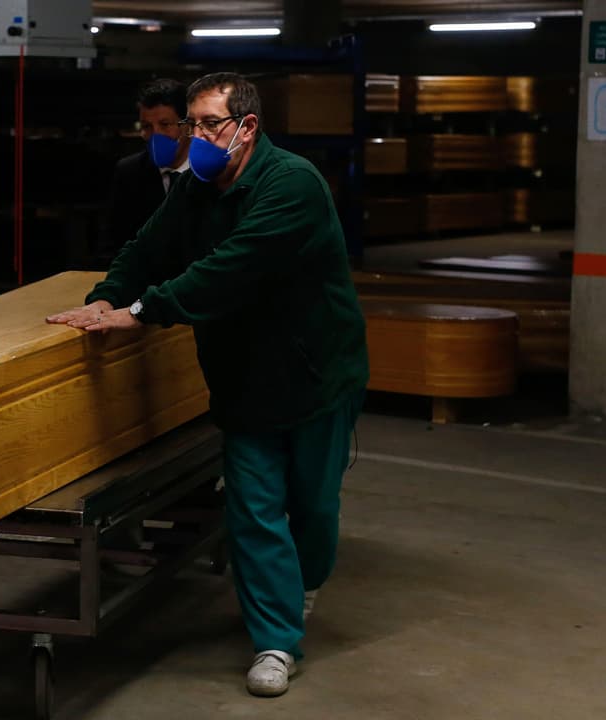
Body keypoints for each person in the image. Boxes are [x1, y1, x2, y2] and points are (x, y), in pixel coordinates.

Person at [47, 72, 368, 698]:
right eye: (191, 124)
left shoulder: (292, 184)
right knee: (253, 509)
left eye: (209, 124)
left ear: (247, 127)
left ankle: (303, 582)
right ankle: (276, 642)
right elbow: (149, 245)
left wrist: (141, 311)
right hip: (242, 376)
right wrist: (106, 296)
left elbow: (230, 269)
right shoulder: (196, 188)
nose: (196, 137)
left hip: (315, 375)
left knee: (312, 506)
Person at [103, 78, 191, 260]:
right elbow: (114, 245)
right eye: (147, 127)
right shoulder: (129, 172)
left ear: (188, 126)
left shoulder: (214, 171)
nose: (155, 135)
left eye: (165, 125)